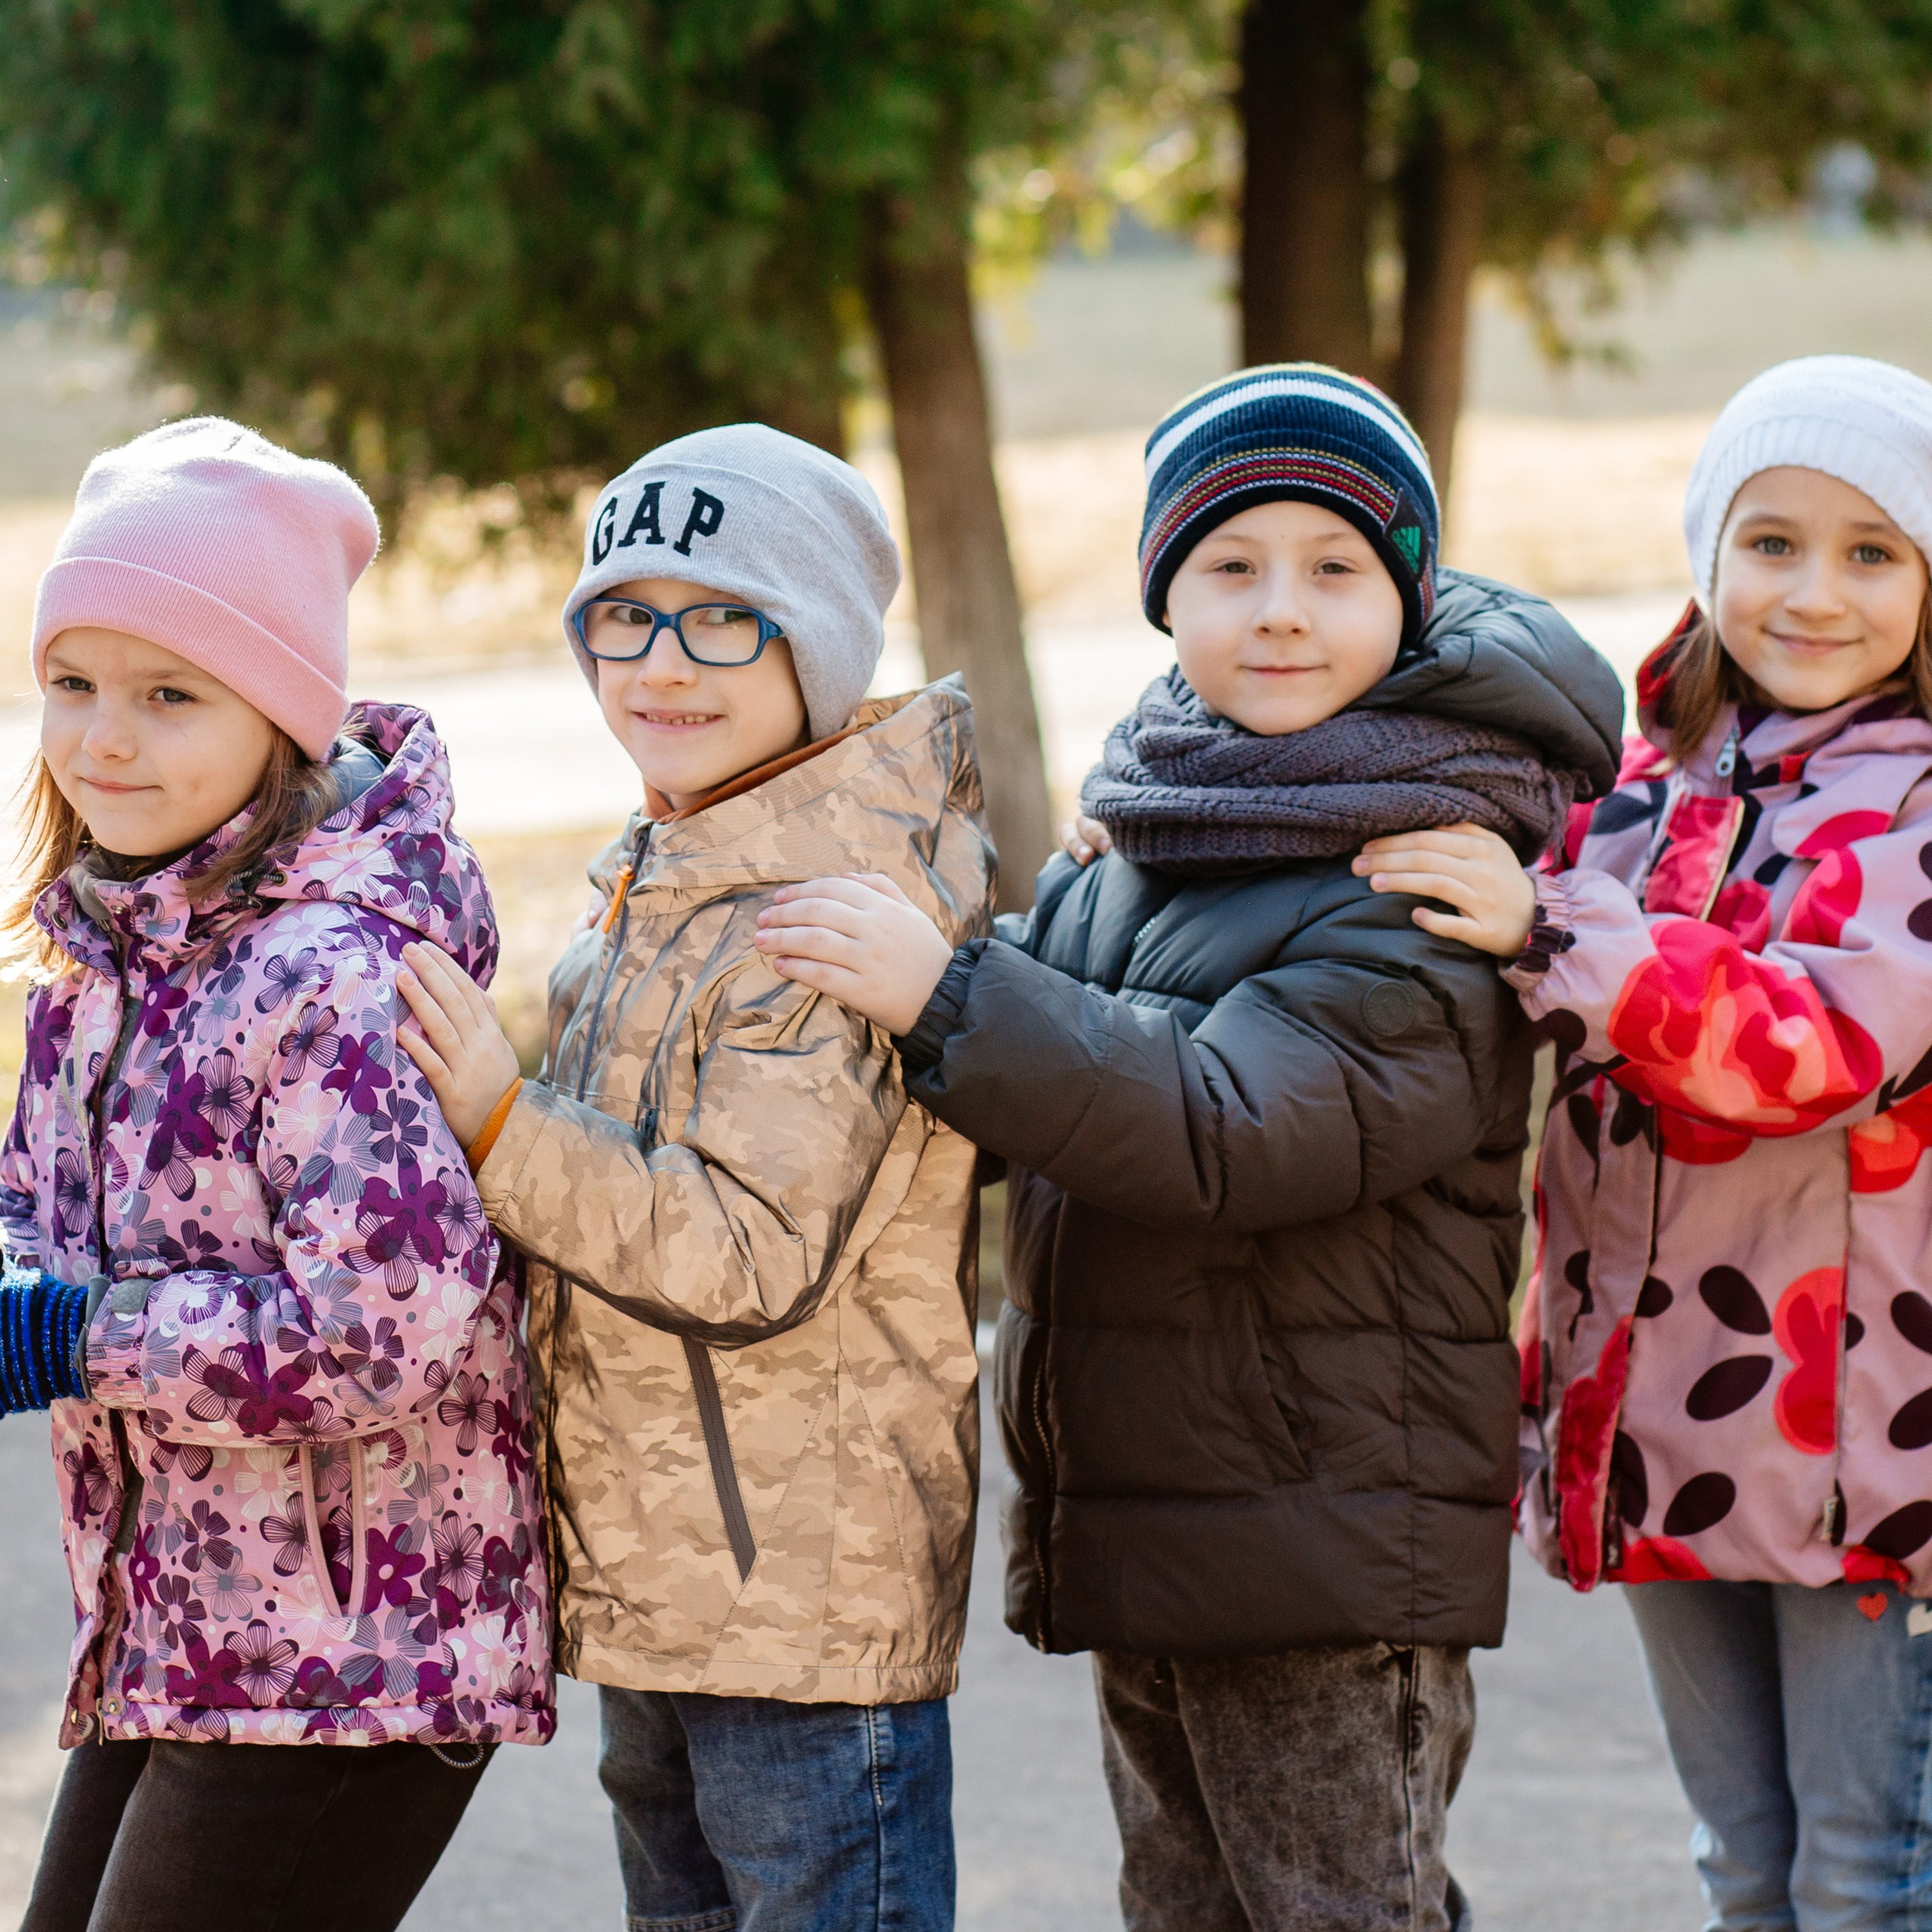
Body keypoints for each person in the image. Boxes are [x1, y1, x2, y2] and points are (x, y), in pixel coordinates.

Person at [752, 364, 1625, 1932]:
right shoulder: (1155, 832)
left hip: (1317, 1537)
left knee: (1337, 1905)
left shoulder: (1416, 865)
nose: (1278, 610)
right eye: (1228, 565)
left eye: (1333, 568)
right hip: (1163, 1519)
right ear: (1166, 597)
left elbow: (1216, 1122)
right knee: (1184, 1905)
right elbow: (1046, 1083)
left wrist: (951, 988)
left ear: (1408, 597)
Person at [1354, 354, 1932, 1930]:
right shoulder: (1635, 788)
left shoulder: (1919, 809)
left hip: (1873, 1449)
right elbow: (1452, 886)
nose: (1811, 591)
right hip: (1670, 1421)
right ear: (1706, 550)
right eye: (1770, 541)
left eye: (1870, 551)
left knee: (1861, 1872)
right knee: (1740, 1860)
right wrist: (1171, 831)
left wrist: (1554, 927)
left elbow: (1809, 1049)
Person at [392, 423, 995, 1931]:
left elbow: (745, 1249)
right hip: (670, 1573)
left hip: (796, 1599)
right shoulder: (657, 878)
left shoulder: (825, 918)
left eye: (722, 616)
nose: (660, 661)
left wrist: (500, 1127)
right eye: (621, 614)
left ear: (818, 646)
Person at [0, 419, 552, 1932]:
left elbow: (372, 1331)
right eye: (72, 683)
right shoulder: (101, 960)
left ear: (282, 718)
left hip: (363, 1648)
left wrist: (70, 1333)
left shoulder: (334, 979)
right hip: (183, 1624)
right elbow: (43, 1216)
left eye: (169, 694)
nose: (103, 738)